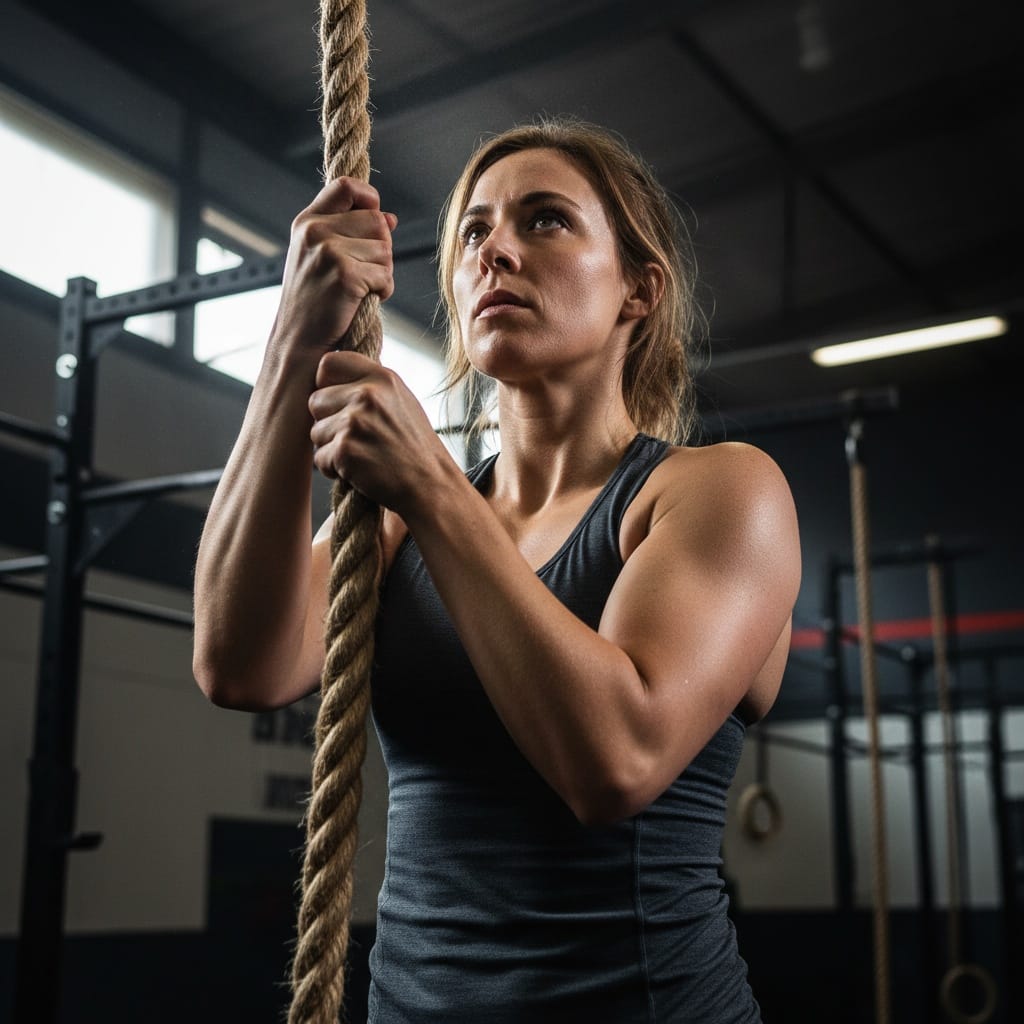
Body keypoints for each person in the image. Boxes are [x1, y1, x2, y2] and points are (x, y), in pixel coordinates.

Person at [193, 118, 801, 1023]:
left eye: (545, 221)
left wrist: (436, 489)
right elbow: (240, 665)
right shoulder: (396, 525)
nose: (496, 252)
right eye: (474, 231)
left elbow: (615, 763)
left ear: (640, 289)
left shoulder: (720, 493)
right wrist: (292, 340)